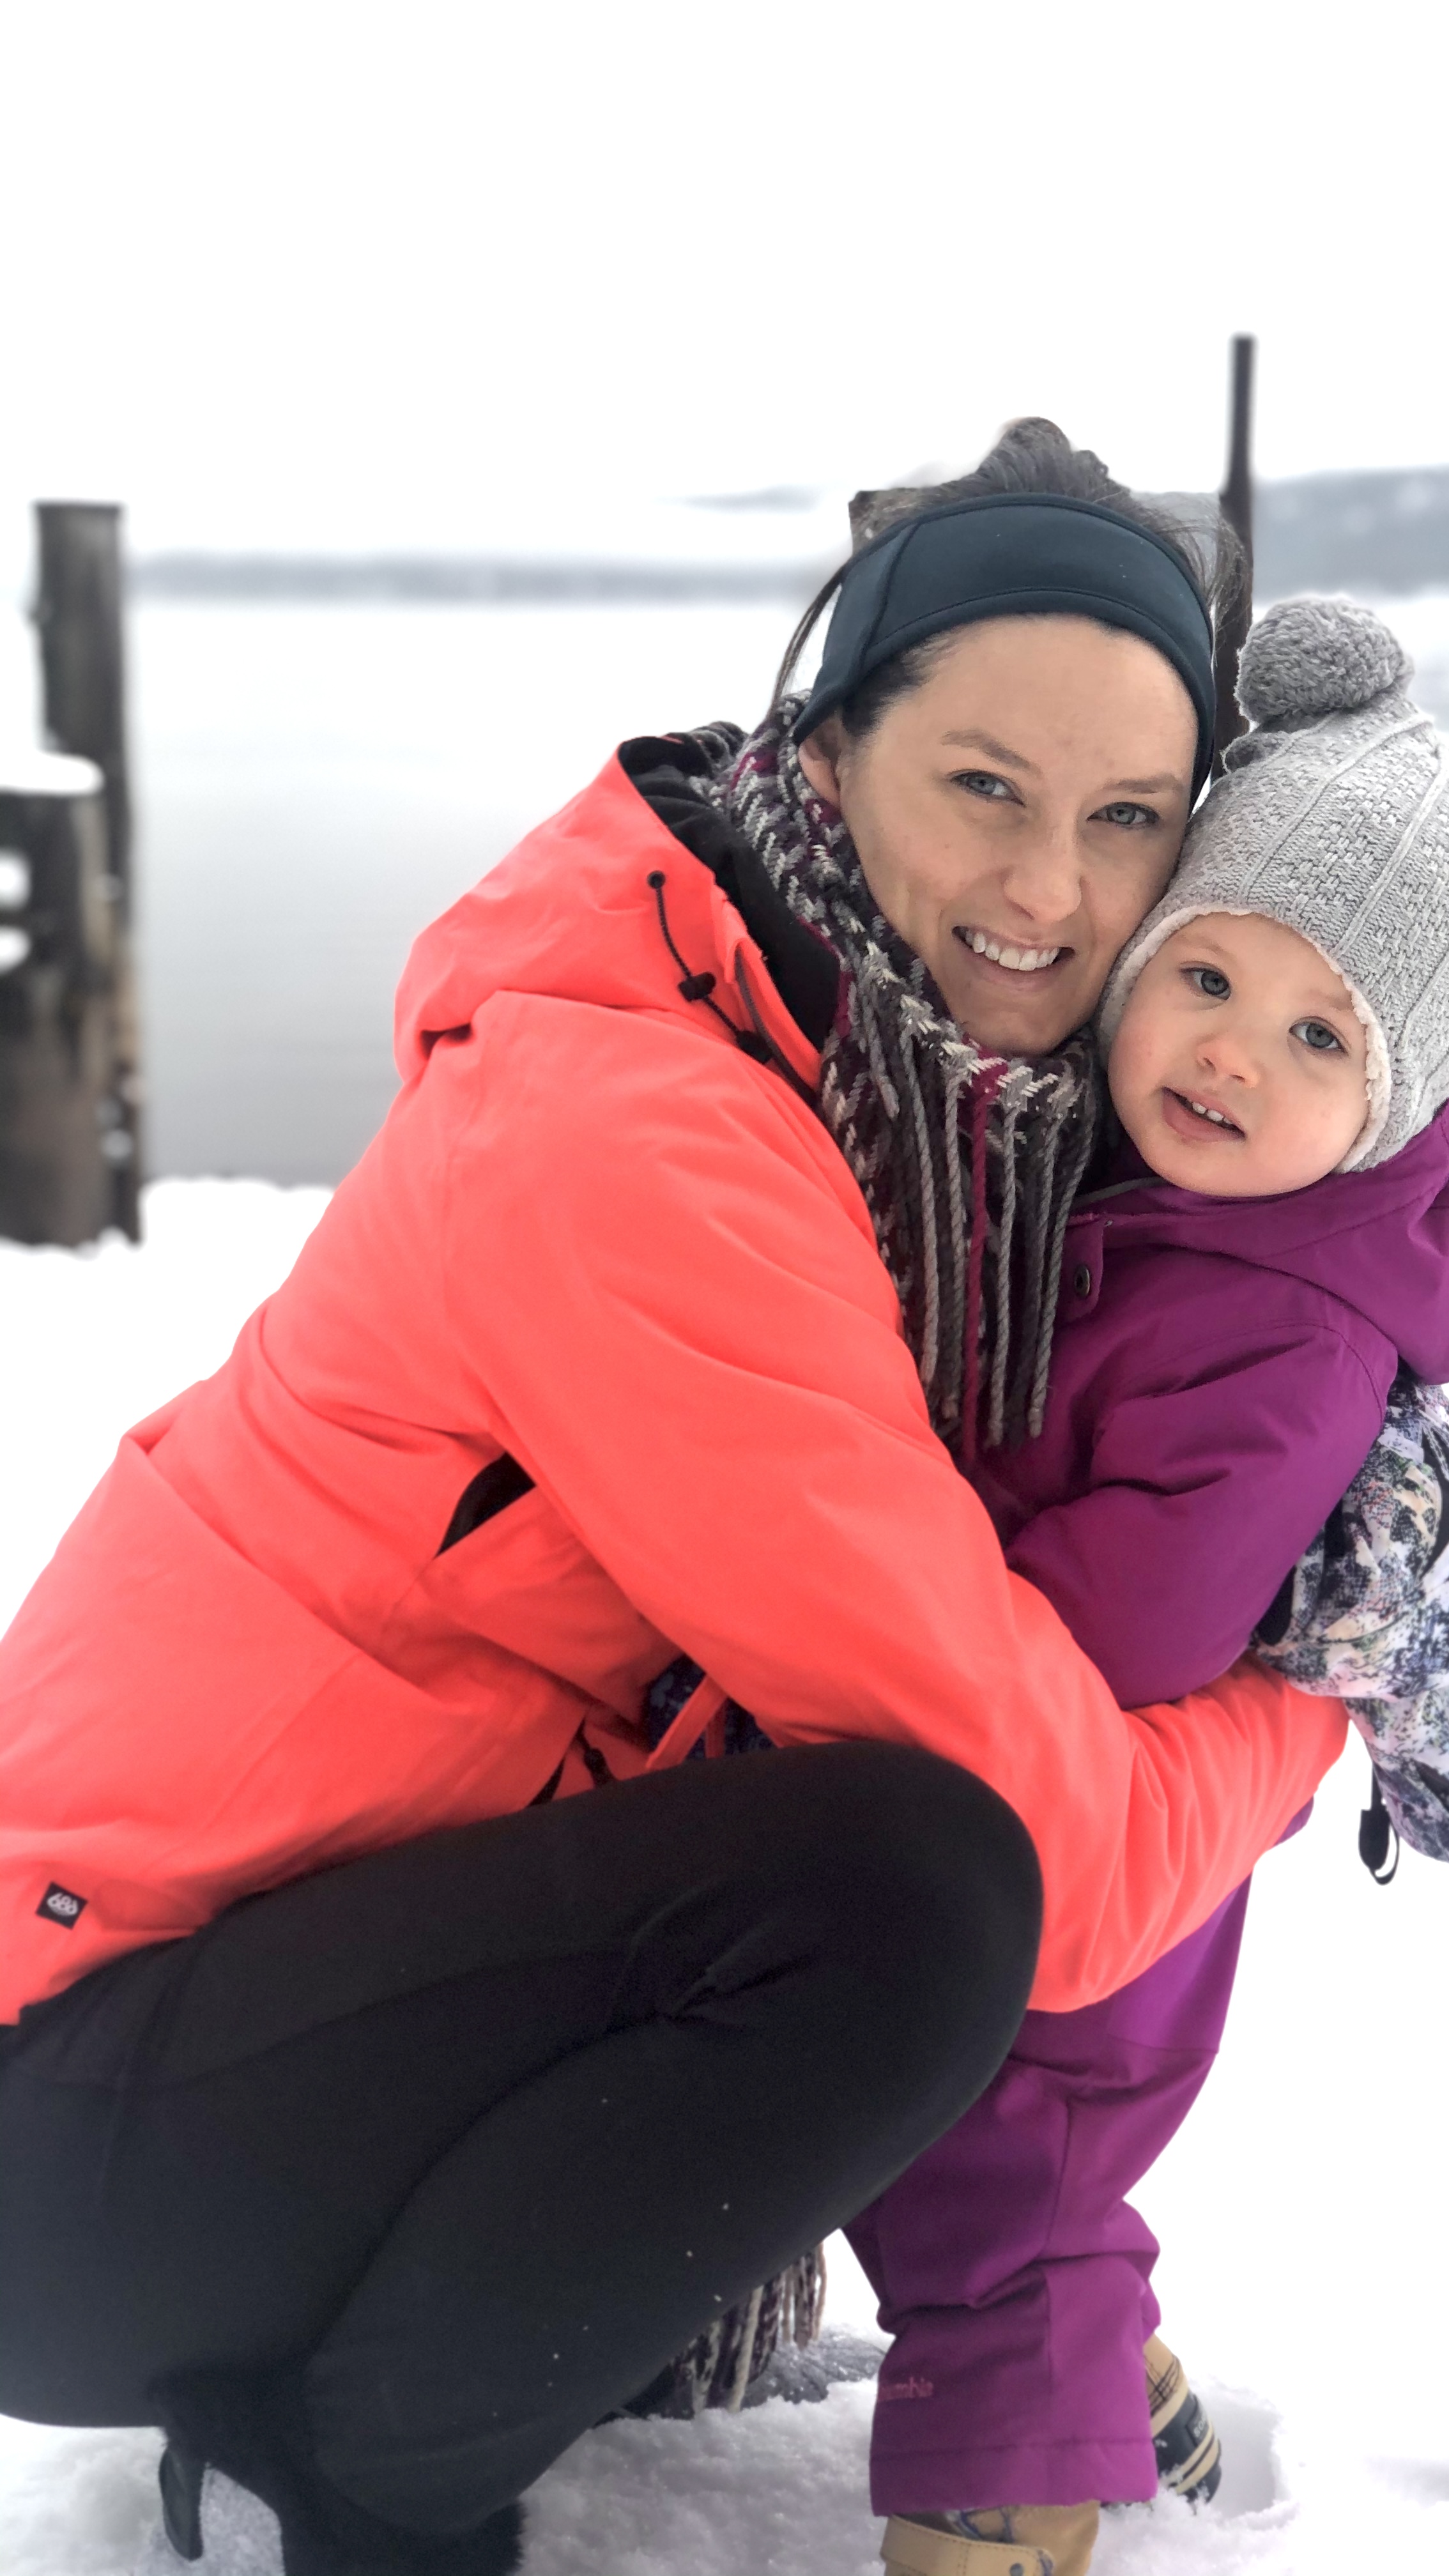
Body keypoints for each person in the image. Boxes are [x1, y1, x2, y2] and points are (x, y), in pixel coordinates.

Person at [0, 424, 1349, 2576]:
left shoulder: (885, 1086)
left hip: (227, 2032)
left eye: (1126, 824)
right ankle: (377, 2481)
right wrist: (1325, 1691)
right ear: (826, 757)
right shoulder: (645, 1130)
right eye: (982, 788)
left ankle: (401, 2348)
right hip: (64, 2122)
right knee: (916, 1884)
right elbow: (1046, 1846)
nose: (1051, 896)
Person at [850, 597, 1449, 2576]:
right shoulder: (1148, 1197)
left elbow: (1136, 1619)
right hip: (1069, 1796)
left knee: (1000, 2179)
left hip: (1100, 1829)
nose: (1232, 1054)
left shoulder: (1282, 1325)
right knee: (989, 2164)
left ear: (1391, 1099)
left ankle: (998, 2512)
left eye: (1320, 1039)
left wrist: (888, 1557)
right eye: (1204, 973)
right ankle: (1116, 2383)